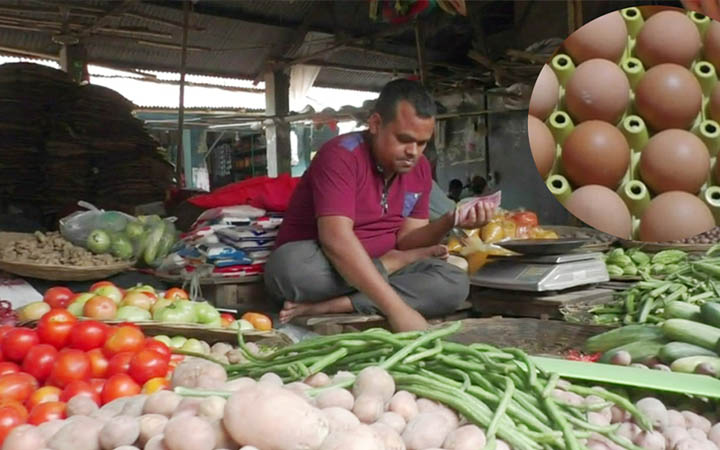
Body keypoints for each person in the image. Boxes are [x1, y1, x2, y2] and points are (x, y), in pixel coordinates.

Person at [264, 79, 497, 332]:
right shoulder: (341, 156)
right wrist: (398, 309)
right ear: (375, 124)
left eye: (422, 143)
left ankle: (338, 304)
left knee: (454, 283)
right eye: (404, 139)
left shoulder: (418, 170)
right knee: (288, 269)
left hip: (363, 276)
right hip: (327, 264)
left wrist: (450, 220)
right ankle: (389, 268)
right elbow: (335, 241)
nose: (413, 152)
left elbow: (408, 239)